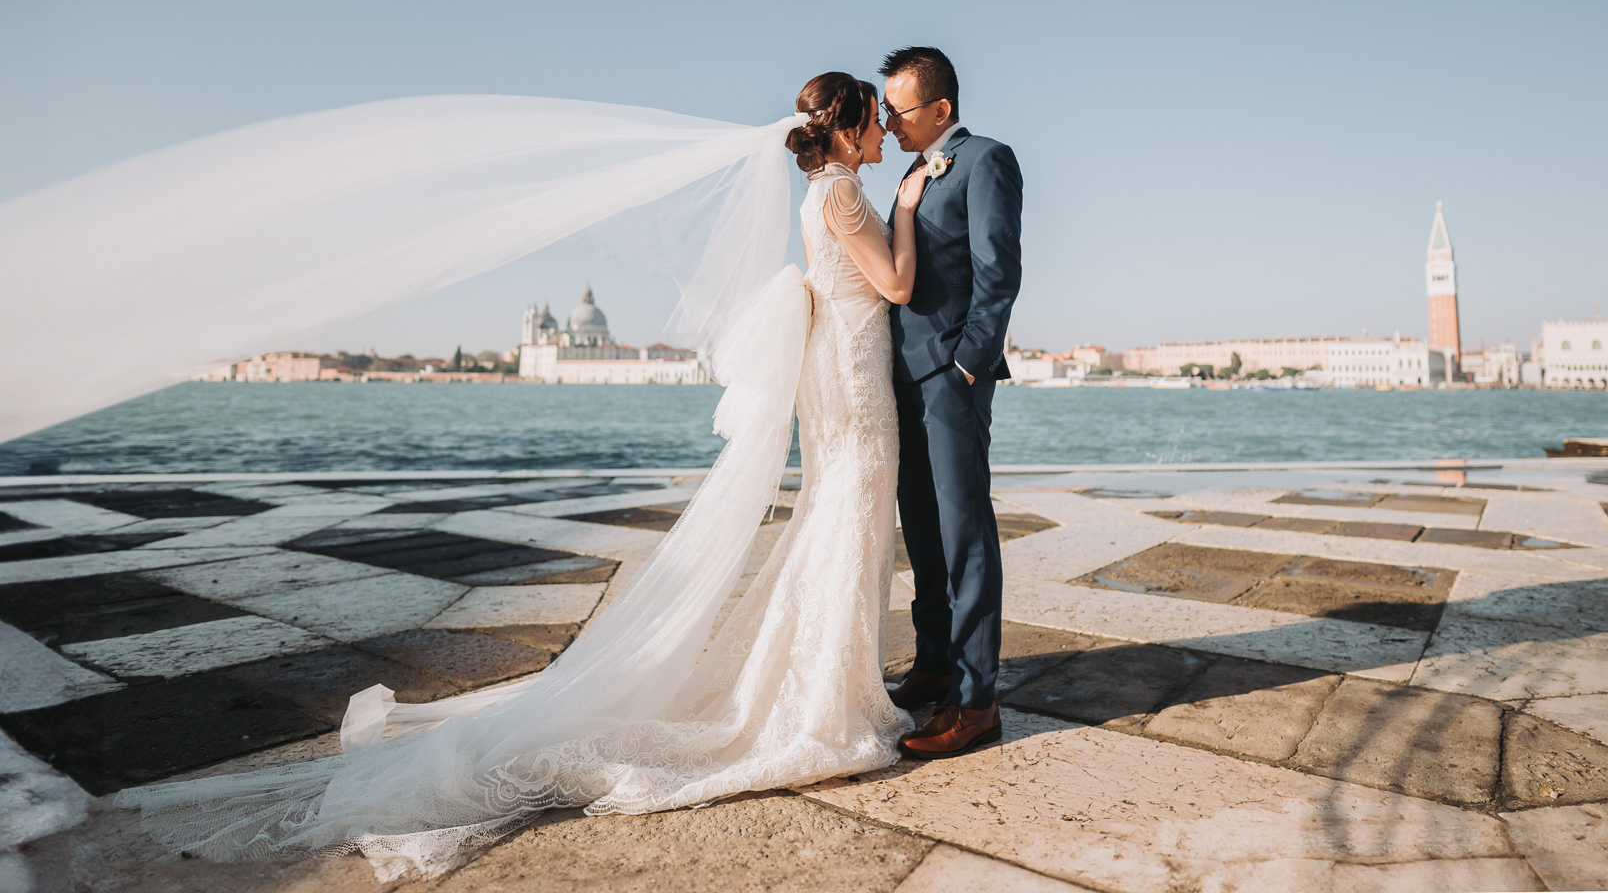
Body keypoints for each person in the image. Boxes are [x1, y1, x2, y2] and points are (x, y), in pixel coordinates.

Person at [115, 74, 939, 879]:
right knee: (850, 518)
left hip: (838, 370)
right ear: (846, 126)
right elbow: (896, 283)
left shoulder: (819, 193)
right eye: (873, 119)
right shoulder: (846, 195)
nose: (881, 133)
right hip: (853, 378)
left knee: (839, 519)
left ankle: (833, 682)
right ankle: (830, 694)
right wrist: (905, 209)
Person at [878, 46, 1025, 758]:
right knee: (924, 529)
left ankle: (976, 700)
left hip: (949, 378)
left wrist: (968, 365)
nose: (888, 122)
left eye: (897, 110)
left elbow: (999, 273)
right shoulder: (909, 174)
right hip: (901, 381)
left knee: (965, 534)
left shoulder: (986, 160)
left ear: (939, 109)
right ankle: (934, 660)